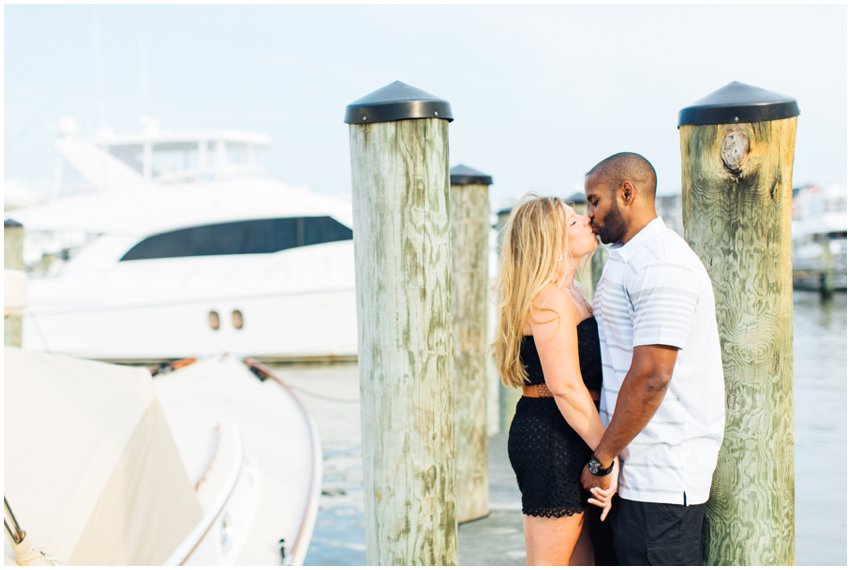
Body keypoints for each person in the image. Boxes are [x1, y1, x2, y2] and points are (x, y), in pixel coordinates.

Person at [581, 152, 725, 565]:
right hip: (629, 474)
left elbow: (652, 377)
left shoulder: (662, 263)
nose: (589, 214)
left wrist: (601, 458)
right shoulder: (627, 259)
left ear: (627, 193)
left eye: (595, 201)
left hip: (663, 478)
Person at [494, 194, 617, 566]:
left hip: (573, 432)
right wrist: (606, 460)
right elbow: (564, 386)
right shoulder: (549, 299)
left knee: (583, 561)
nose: (586, 220)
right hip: (552, 439)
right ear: (550, 241)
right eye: (572, 221)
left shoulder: (572, 292)